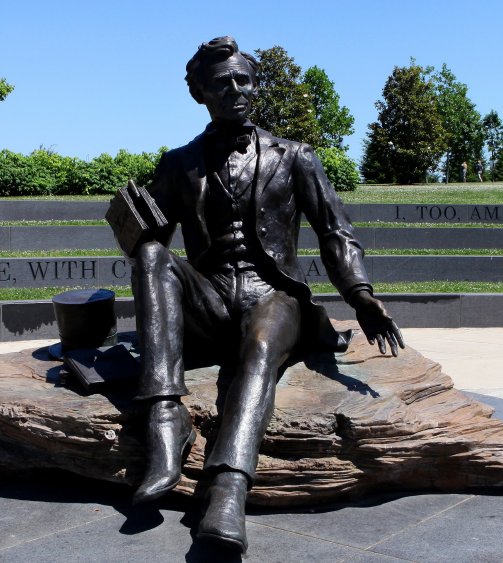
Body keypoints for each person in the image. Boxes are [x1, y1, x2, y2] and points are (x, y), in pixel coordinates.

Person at [128, 36, 403, 553]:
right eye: (221, 83)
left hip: (274, 297)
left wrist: (360, 293)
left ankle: (228, 490)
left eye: (243, 80)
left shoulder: (296, 156)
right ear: (199, 94)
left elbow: (334, 232)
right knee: (149, 257)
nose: (236, 91)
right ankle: (167, 419)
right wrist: (132, 219)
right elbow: (152, 246)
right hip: (210, 298)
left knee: (258, 352)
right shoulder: (178, 162)